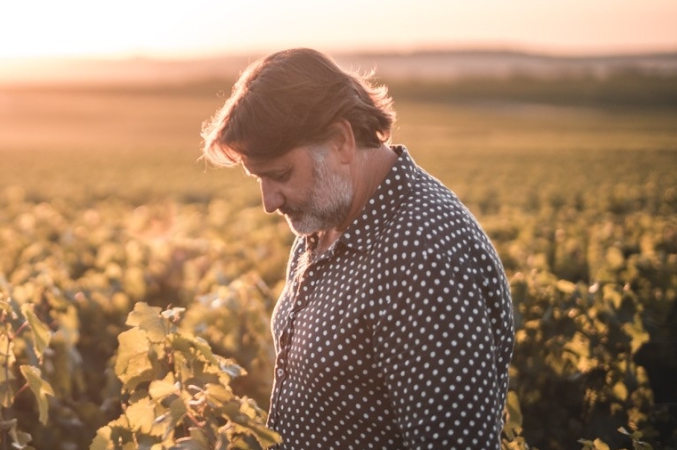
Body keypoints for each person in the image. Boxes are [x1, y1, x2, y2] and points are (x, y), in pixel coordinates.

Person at [200, 48, 514, 449]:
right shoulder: (328, 221)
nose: (269, 202)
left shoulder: (423, 255)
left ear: (340, 141)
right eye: (257, 178)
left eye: (280, 174)